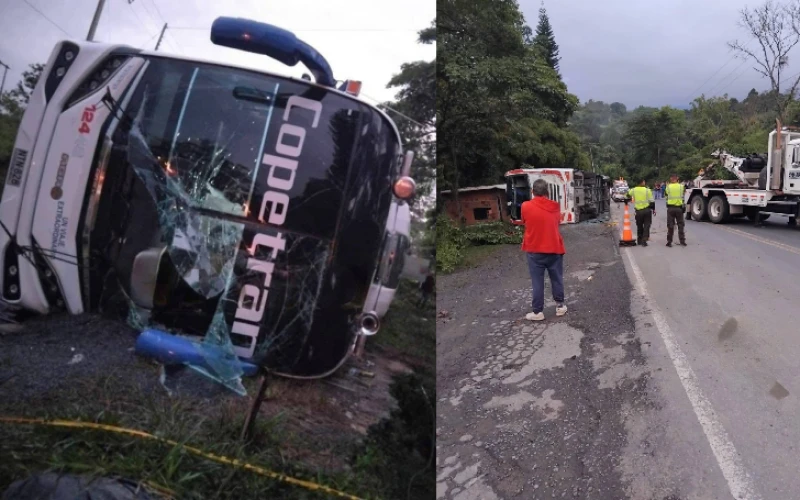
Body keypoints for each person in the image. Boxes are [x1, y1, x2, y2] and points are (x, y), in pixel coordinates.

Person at [520, 179, 567, 322]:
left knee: (537, 281)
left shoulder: (525, 206)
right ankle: (560, 306)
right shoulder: (555, 206)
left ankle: (537, 312)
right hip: (554, 248)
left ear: (532, 192)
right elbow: (556, 222)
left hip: (534, 250)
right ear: (547, 192)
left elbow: (524, 221)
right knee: (557, 278)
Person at [626, 179, 656, 246]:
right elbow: (652, 201)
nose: (644, 182)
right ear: (642, 182)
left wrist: (629, 200)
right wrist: (654, 209)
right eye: (644, 181)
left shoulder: (633, 190)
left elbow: (627, 195)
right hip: (647, 210)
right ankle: (644, 240)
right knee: (647, 225)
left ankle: (639, 240)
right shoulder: (647, 190)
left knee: (639, 226)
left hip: (638, 211)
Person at [665, 173, 687, 247]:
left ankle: (669, 242)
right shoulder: (681, 186)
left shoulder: (668, 187)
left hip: (670, 208)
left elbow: (666, 195)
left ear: (671, 178)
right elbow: (683, 195)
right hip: (679, 208)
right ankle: (682, 241)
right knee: (680, 225)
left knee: (670, 226)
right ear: (677, 178)